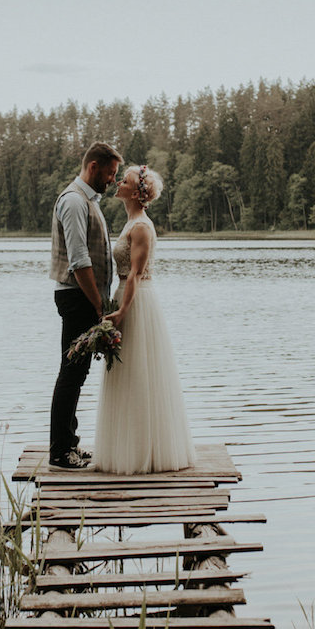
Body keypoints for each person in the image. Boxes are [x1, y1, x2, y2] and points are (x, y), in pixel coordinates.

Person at [94, 164, 195, 474]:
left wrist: (123, 311)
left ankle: (145, 452)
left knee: (140, 372)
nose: (117, 183)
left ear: (136, 193)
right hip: (125, 296)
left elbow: (136, 274)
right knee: (126, 375)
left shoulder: (142, 227)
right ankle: (124, 448)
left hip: (136, 303)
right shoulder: (130, 223)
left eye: (123, 181)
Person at [48, 141, 123, 469]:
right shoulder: (75, 202)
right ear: (93, 167)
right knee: (71, 372)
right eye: (110, 173)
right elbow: (79, 262)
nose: (112, 180)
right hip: (78, 297)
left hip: (83, 297)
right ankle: (61, 452)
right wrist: (98, 307)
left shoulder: (88, 201)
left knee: (76, 372)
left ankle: (70, 444)